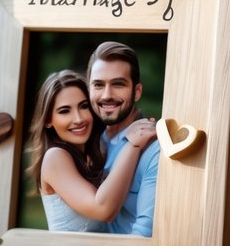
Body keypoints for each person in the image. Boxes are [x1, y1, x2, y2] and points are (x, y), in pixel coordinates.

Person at [26, 69, 157, 232]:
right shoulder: (54, 157)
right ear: (47, 120)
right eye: (64, 111)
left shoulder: (91, 159)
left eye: (84, 106)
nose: (78, 119)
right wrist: (133, 145)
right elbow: (103, 210)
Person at [87, 41, 159, 236]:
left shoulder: (154, 149)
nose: (107, 95)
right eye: (98, 85)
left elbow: (145, 234)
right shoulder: (89, 143)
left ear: (137, 92)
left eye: (118, 84)